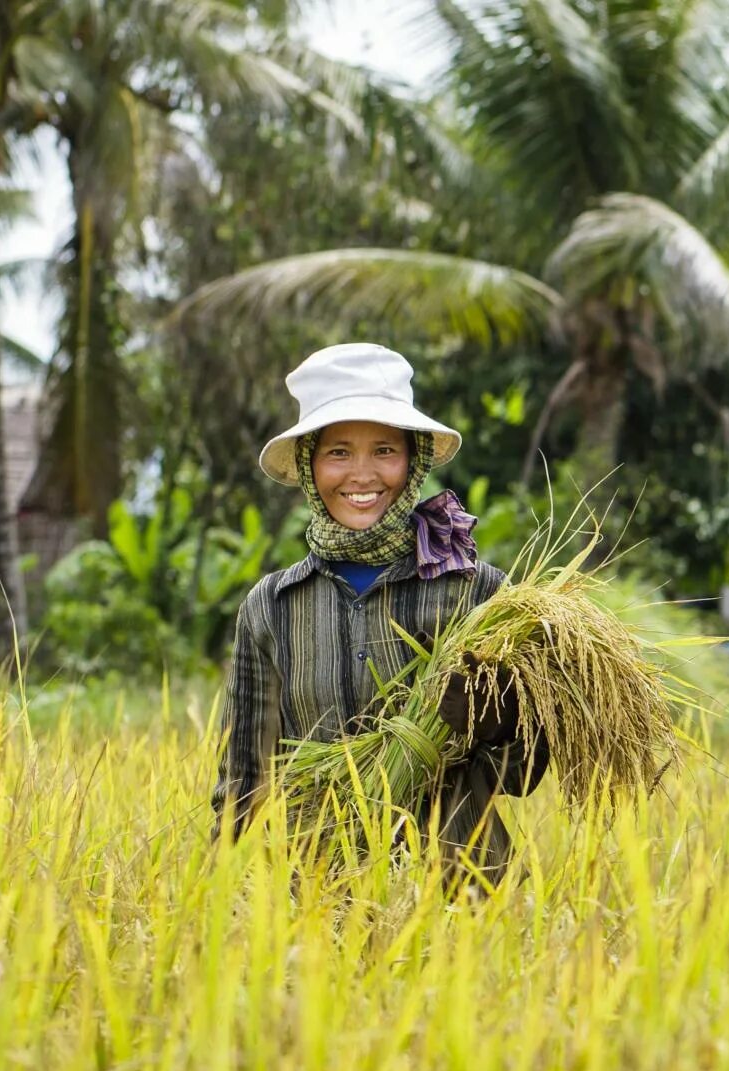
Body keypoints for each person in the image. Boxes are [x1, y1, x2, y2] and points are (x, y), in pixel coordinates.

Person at [213, 342, 548, 881]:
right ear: (309, 465)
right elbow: (243, 780)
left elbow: (523, 772)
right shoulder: (272, 608)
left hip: (459, 894)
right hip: (316, 902)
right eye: (338, 452)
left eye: (385, 451)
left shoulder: (480, 596)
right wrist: (221, 908)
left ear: (413, 460)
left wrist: (496, 719)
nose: (362, 475)